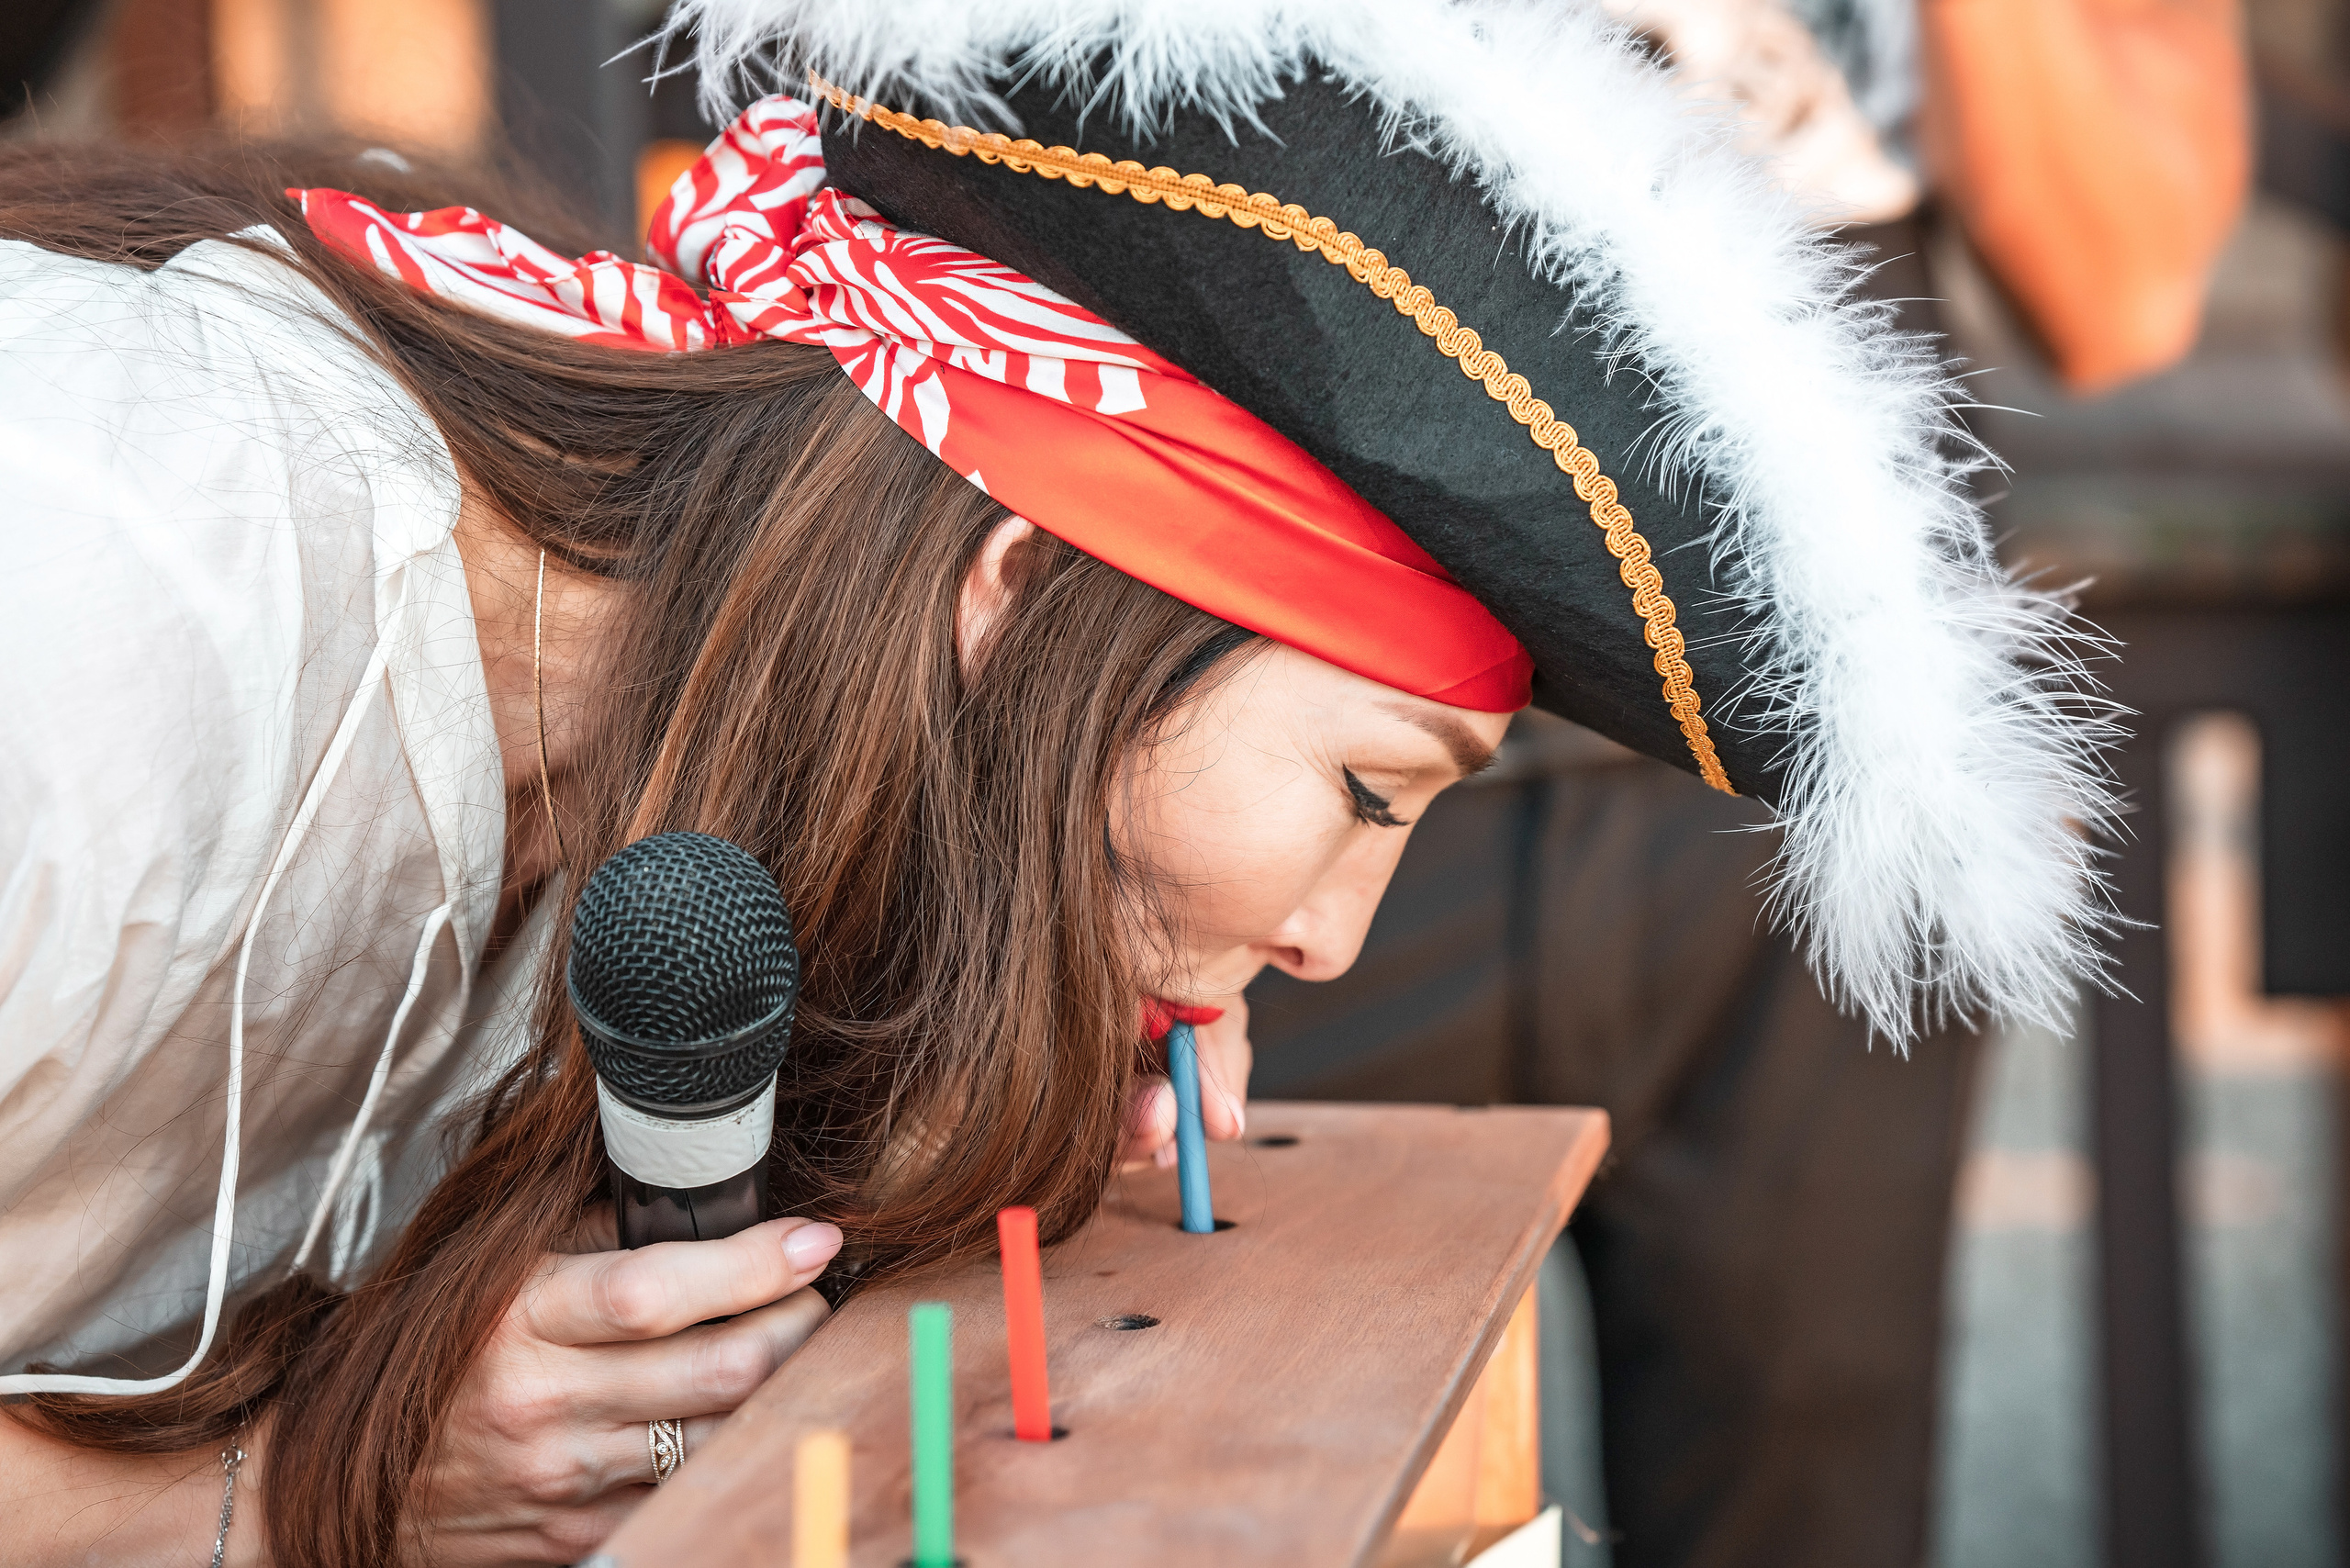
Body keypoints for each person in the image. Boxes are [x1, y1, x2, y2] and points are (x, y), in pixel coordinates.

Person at [2, 4, 2117, 1563]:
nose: (1328, 939)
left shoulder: (652, 779)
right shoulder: (107, 584)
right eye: (1372, 793)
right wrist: (278, 1498)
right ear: (1020, 593)